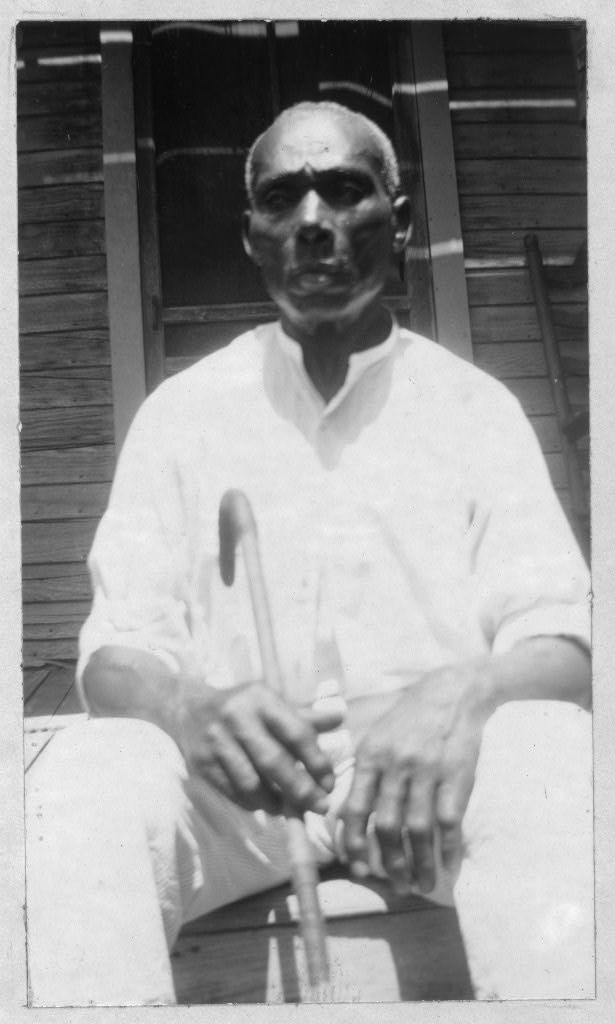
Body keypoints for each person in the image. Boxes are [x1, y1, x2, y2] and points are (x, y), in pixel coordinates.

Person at [26, 101, 593, 1005]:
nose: (314, 221)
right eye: (282, 198)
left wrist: (458, 694)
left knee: (549, 752)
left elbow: (561, 645)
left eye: (342, 190)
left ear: (398, 221)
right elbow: (113, 656)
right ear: (250, 235)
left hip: (427, 785)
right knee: (82, 781)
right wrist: (188, 706)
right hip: (237, 802)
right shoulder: (184, 413)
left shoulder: (472, 409)